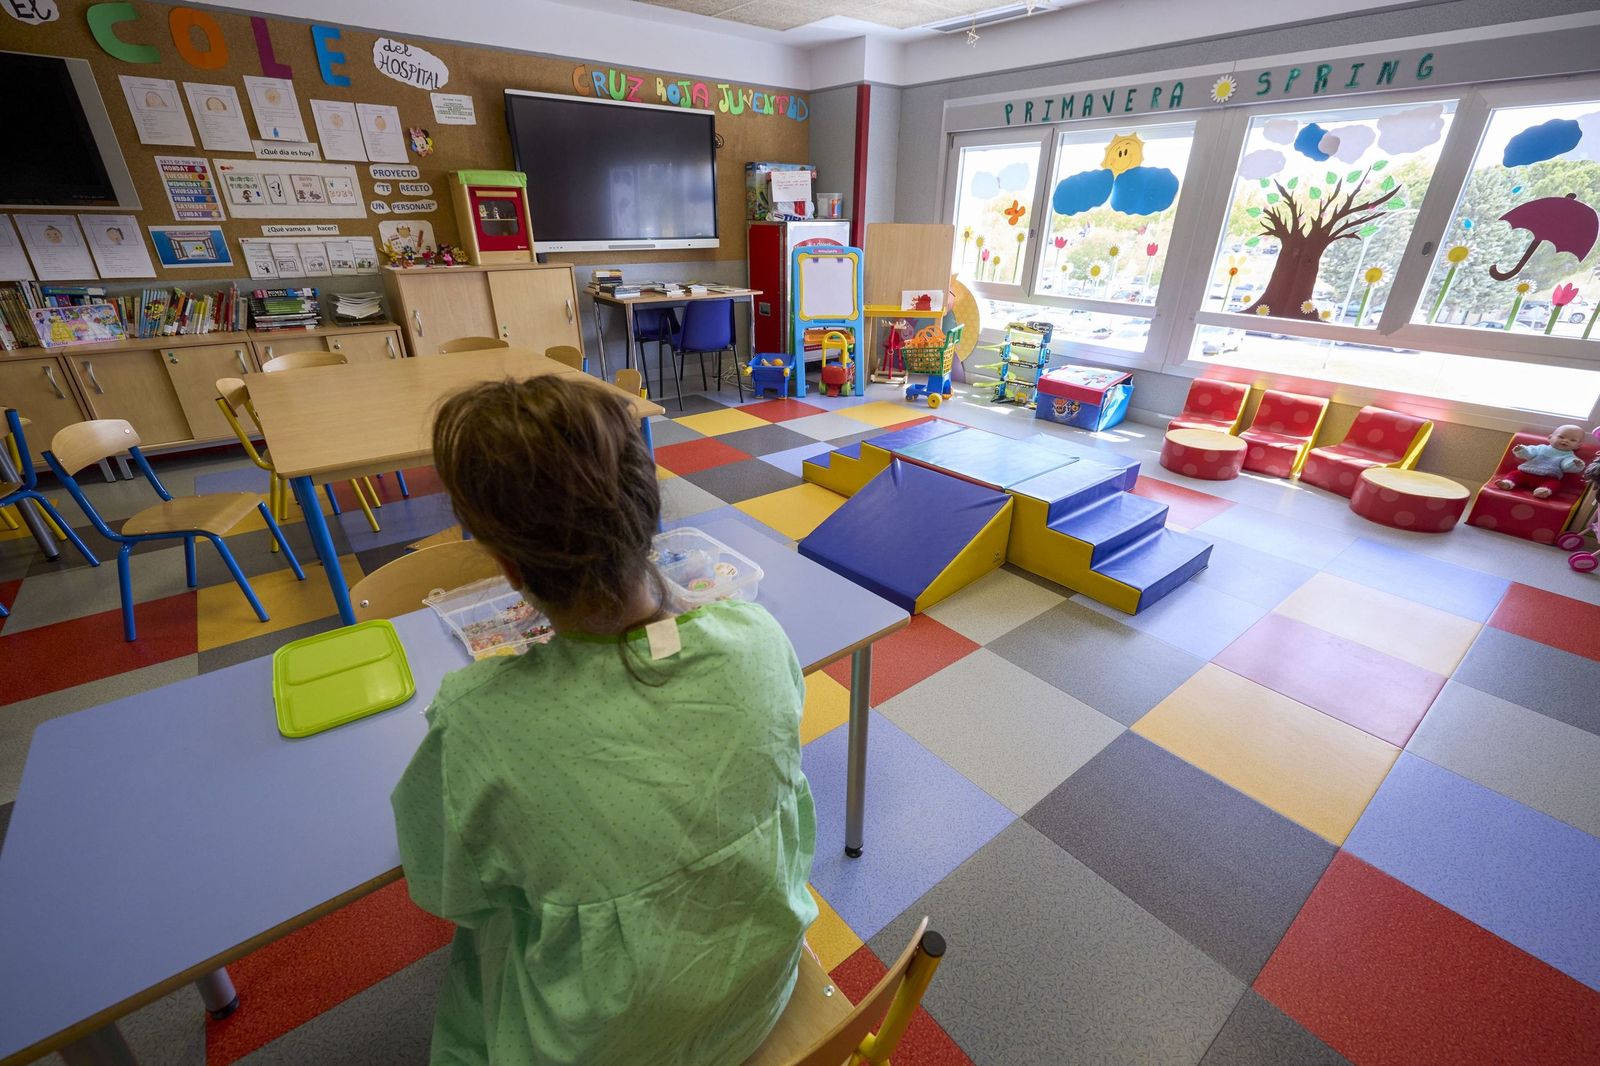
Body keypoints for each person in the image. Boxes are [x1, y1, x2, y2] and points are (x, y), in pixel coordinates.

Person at [391, 374, 816, 1066]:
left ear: (505, 566)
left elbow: (448, 892)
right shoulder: (758, 637)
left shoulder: (478, 724)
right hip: (758, 992)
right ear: (649, 512)